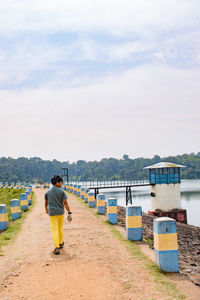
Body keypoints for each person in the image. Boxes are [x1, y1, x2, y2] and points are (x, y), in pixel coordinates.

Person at [44, 175, 72, 255]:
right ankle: (60, 243)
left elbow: (46, 202)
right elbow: (65, 203)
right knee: (60, 228)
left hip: (52, 213)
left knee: (54, 230)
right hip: (60, 213)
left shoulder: (47, 192)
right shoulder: (61, 191)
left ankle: (56, 247)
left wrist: (46, 209)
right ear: (57, 183)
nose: (62, 184)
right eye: (61, 182)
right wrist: (69, 212)